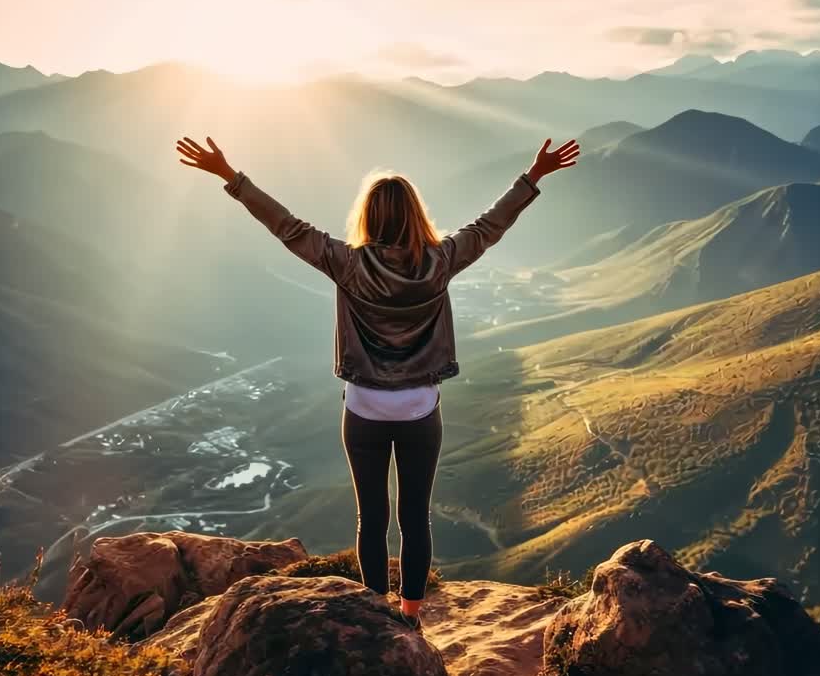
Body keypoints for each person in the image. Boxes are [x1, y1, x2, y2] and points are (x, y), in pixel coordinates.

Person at [175, 135, 579, 629]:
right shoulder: (441, 261)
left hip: (364, 406)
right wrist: (533, 176)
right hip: (419, 408)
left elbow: (286, 226)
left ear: (368, 216)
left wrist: (230, 177)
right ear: (414, 215)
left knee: (372, 517)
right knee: (415, 517)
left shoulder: (347, 264)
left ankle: (376, 614)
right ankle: (410, 614)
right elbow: (491, 225)